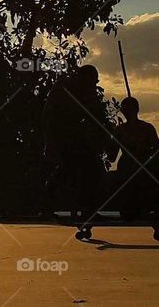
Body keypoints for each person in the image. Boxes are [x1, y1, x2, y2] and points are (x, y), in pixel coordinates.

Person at [41, 64, 115, 219]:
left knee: (90, 169)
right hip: (61, 136)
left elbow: (97, 114)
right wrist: (50, 142)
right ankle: (49, 201)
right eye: (92, 82)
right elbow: (48, 116)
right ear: (83, 78)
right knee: (71, 171)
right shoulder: (63, 88)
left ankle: (88, 210)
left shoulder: (88, 91)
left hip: (77, 137)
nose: (93, 86)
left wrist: (105, 129)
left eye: (95, 83)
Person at [110, 97, 159, 220]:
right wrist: (111, 137)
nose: (127, 113)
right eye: (125, 110)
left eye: (129, 109)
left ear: (136, 110)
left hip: (144, 168)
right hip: (126, 168)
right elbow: (112, 156)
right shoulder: (119, 130)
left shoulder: (147, 128)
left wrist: (146, 155)